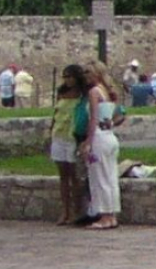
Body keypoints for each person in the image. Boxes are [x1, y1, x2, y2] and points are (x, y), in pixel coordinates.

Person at [79, 64, 125, 230]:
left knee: (99, 178)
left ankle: (105, 216)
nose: (86, 76)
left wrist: (88, 142)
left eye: (88, 72)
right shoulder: (108, 93)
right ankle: (111, 214)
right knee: (110, 177)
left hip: (99, 137)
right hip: (109, 136)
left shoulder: (94, 92)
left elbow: (93, 119)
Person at [49, 64, 86, 226]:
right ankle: (65, 210)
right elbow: (56, 114)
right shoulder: (61, 93)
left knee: (74, 175)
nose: (67, 80)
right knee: (63, 176)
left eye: (70, 76)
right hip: (59, 135)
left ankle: (77, 210)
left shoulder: (82, 95)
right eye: (65, 77)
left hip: (72, 137)